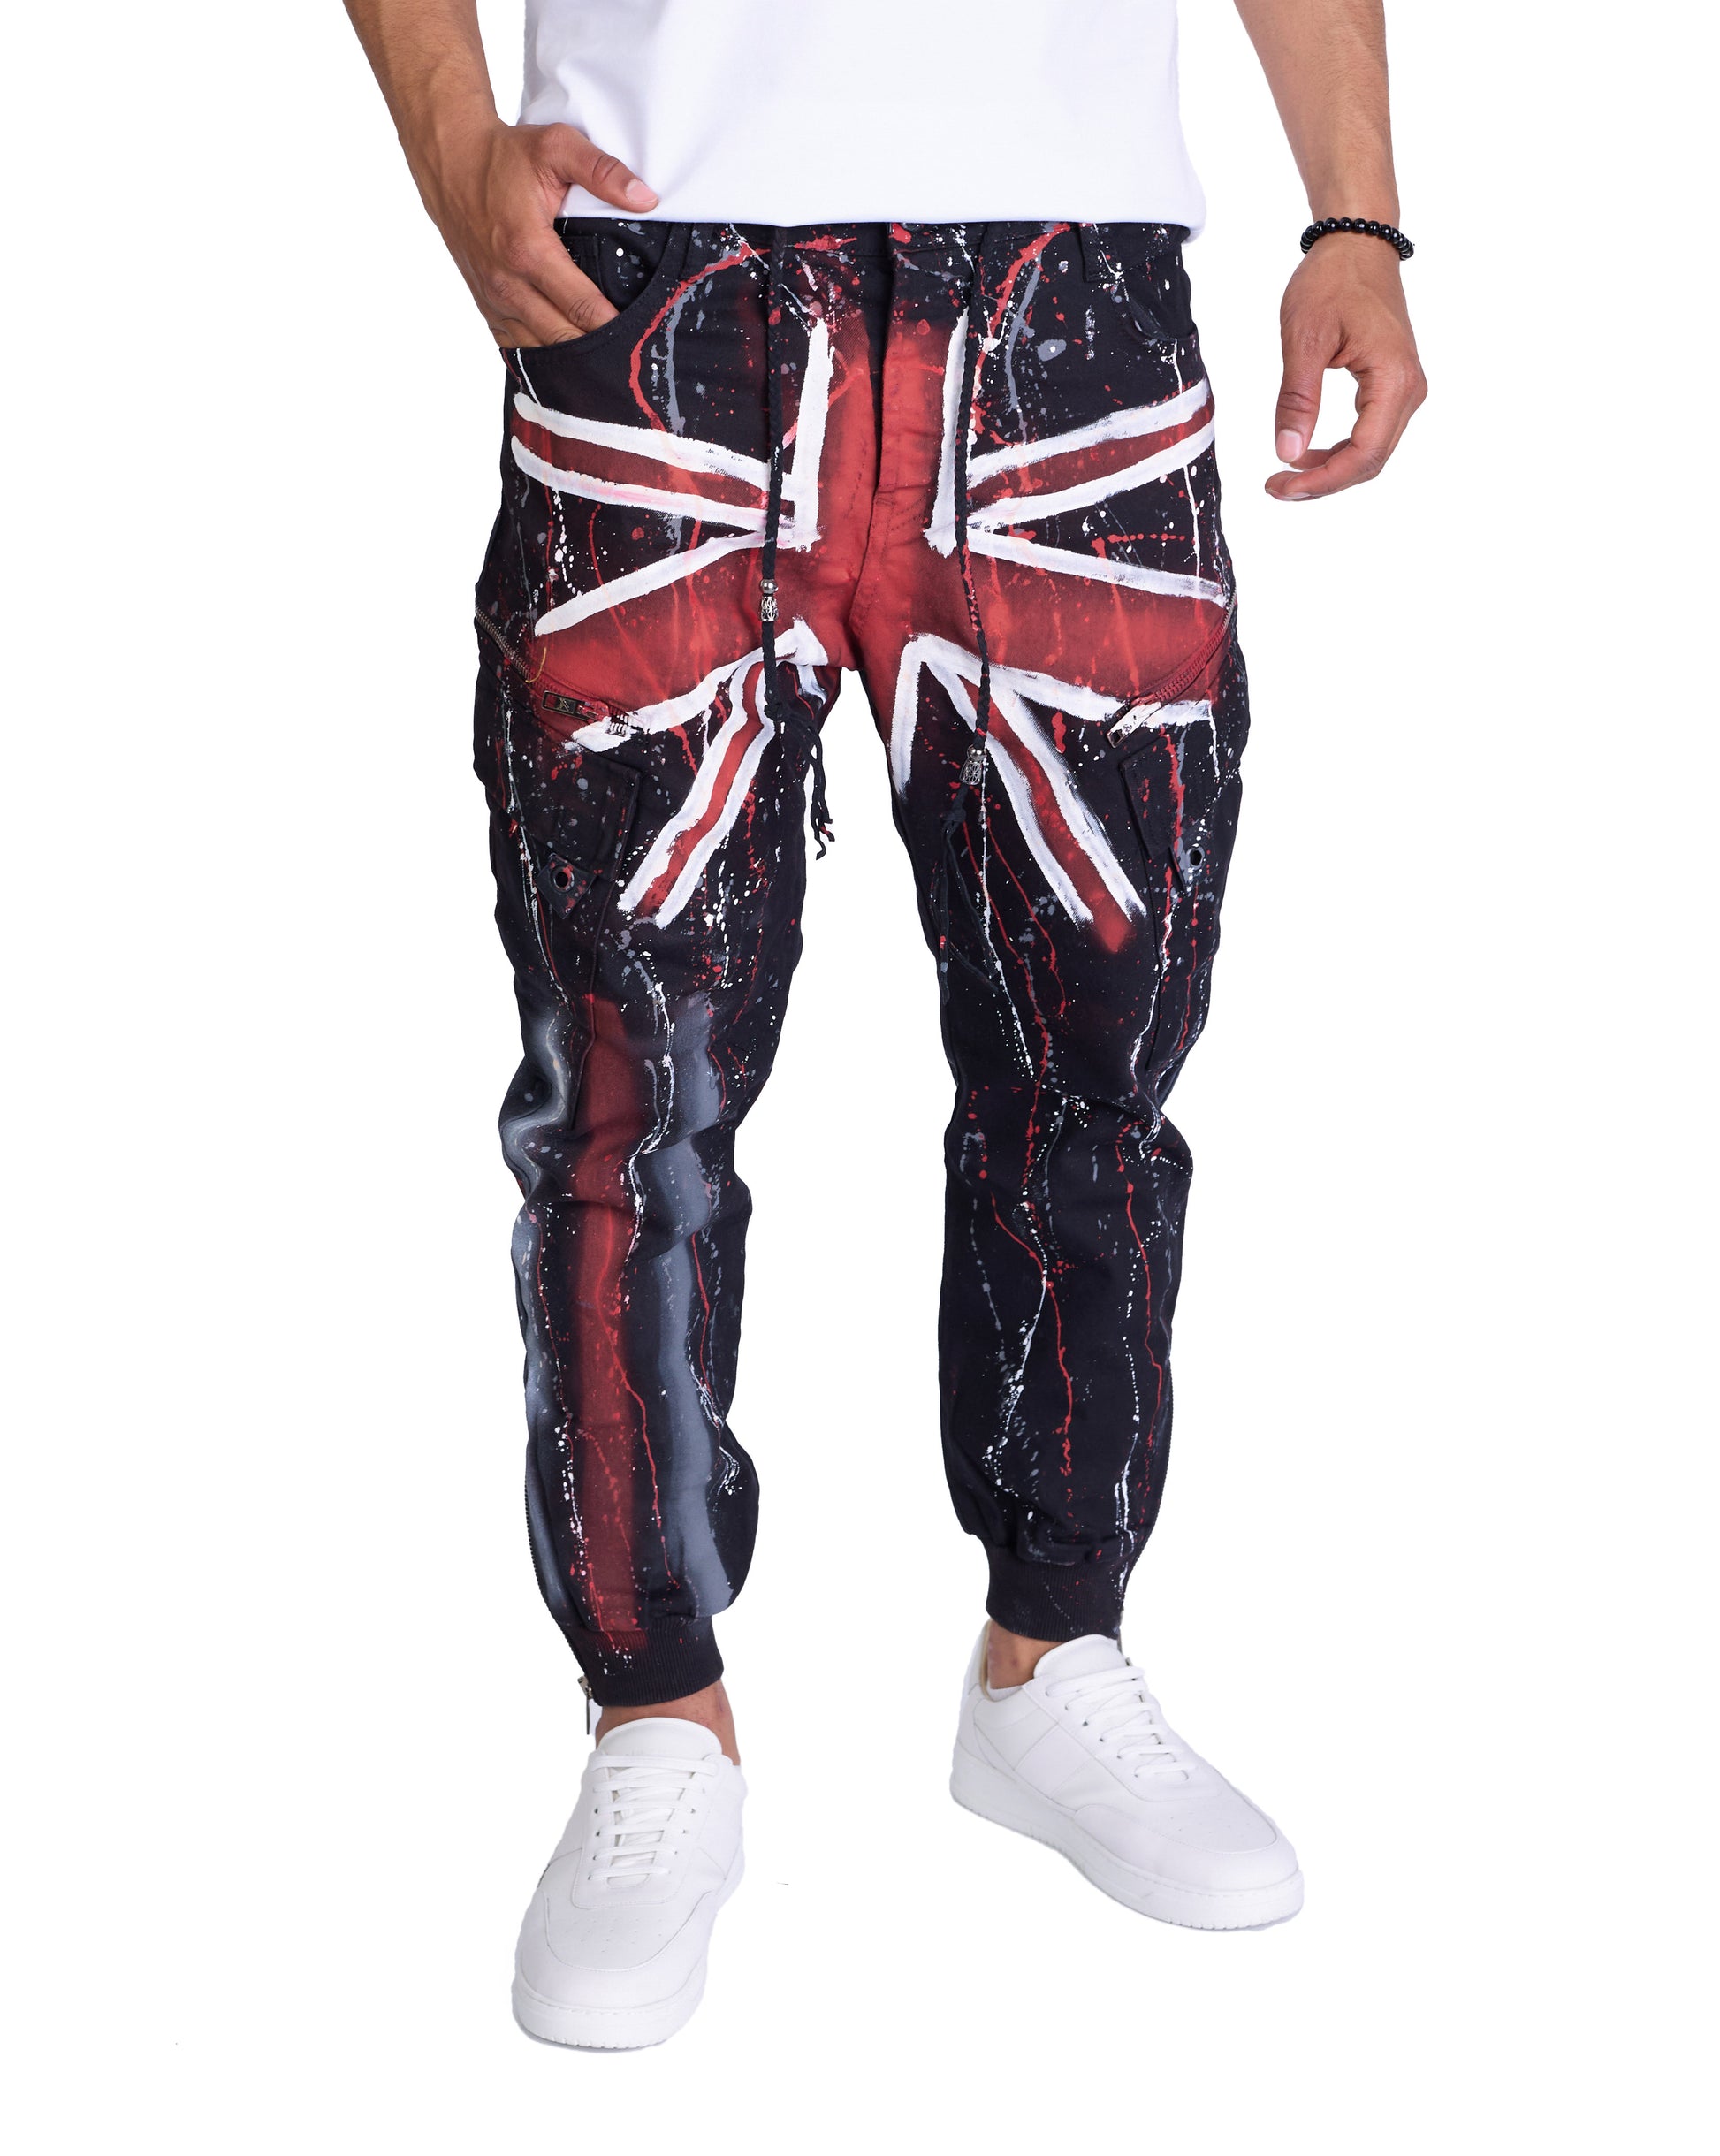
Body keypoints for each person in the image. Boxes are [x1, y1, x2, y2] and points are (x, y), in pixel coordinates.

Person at [345, 0, 1425, 2049]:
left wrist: (1354, 215)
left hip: (1072, 291)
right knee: (631, 1071)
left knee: (1095, 1044)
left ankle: (1052, 1649)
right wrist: (451, 143)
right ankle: (655, 1712)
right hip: (659, 278)